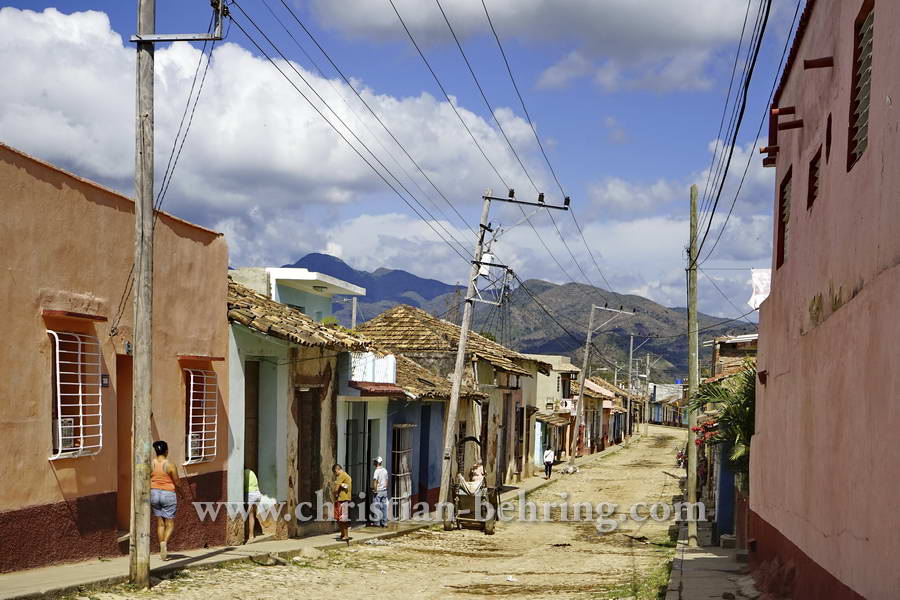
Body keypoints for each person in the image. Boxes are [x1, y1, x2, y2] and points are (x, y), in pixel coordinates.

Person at [150, 440, 180, 561]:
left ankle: (161, 544)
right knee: (170, 523)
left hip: (154, 493)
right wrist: (182, 494)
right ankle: (164, 544)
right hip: (168, 494)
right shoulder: (170, 465)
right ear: (166, 451)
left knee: (160, 523)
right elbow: (177, 482)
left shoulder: (150, 464)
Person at [332, 464, 352, 540]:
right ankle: (343, 534)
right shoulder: (347, 476)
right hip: (344, 499)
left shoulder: (341, 476)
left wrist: (335, 495)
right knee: (340, 518)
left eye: (335, 472)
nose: (335, 474)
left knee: (343, 518)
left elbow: (336, 488)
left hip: (342, 499)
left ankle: (345, 535)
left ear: (337, 470)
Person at [244, 468, 261, 543]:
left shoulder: (243, 473)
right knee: (252, 515)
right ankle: (252, 535)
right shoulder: (251, 472)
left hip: (250, 494)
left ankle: (250, 535)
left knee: (248, 515)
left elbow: (242, 484)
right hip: (257, 494)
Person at [371, 457, 389, 527]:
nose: (373, 463)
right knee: (384, 507)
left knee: (376, 507)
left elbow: (375, 481)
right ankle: (384, 523)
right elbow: (387, 480)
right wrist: (385, 488)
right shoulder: (385, 470)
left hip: (378, 491)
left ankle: (377, 523)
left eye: (374, 461)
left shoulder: (377, 471)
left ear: (376, 463)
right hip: (384, 491)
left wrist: (375, 490)